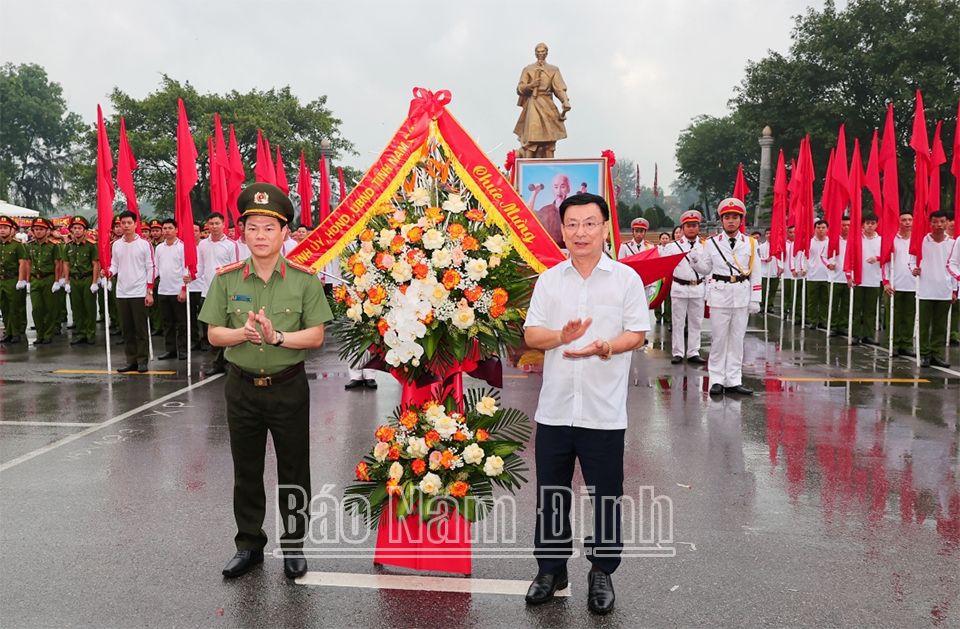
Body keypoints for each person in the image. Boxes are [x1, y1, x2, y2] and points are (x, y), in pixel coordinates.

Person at [522, 192, 648, 615]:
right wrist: (563, 337)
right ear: (562, 229)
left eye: (590, 223)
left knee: (606, 494)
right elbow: (532, 336)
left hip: (603, 411)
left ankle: (602, 572)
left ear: (605, 227)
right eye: (572, 224)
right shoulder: (549, 280)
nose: (580, 232)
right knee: (551, 494)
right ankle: (551, 569)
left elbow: (637, 334)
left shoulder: (626, 279)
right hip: (555, 408)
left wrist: (605, 347)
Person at [199, 182, 332, 580]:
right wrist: (243, 334)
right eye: (253, 228)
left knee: (294, 469)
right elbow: (213, 334)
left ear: (285, 233)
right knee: (246, 470)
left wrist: (276, 337)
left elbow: (316, 336)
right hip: (241, 388)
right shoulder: (226, 279)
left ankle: (293, 547)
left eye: (269, 228)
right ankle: (248, 545)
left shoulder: (305, 280)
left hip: (287, 386)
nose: (261, 236)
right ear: (242, 233)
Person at [701, 198, 761, 396]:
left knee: (737, 339)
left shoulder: (751, 243)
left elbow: (756, 272)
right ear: (721, 220)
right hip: (720, 295)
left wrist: (755, 299)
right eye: (727, 217)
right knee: (719, 339)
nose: (731, 221)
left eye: (735, 217)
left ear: (740, 220)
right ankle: (717, 380)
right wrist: (694, 261)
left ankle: (734, 380)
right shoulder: (711, 244)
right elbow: (706, 268)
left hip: (742, 295)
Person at [106, 211, 155, 373]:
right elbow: (115, 265)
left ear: (135, 224)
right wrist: (108, 272)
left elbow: (151, 267)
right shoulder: (117, 245)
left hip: (140, 291)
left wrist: (149, 291)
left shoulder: (144, 244)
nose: (125, 226)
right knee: (127, 330)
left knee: (140, 329)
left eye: (129, 223)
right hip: (122, 292)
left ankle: (142, 361)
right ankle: (131, 360)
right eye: (122, 223)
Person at [195, 212, 240, 376]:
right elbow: (201, 268)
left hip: (225, 293)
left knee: (227, 329)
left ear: (223, 225)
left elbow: (235, 269)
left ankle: (229, 363)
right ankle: (216, 363)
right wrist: (191, 276)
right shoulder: (202, 245)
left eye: (217, 223)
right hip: (207, 292)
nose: (214, 227)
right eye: (211, 224)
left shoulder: (230, 245)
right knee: (212, 329)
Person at [910, 211, 956, 368]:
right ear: (930, 223)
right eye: (935, 222)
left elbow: (956, 266)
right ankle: (924, 354)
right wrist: (913, 269)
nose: (939, 225)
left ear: (946, 222)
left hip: (945, 289)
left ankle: (936, 353)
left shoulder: (953, 243)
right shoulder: (922, 241)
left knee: (940, 325)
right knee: (923, 324)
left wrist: (955, 290)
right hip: (925, 289)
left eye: (942, 221)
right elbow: (911, 260)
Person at [513, 42, 570, 159]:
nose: (540, 54)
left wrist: (565, 101)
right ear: (535, 53)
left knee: (550, 142)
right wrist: (530, 85)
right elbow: (519, 88)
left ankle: (549, 166)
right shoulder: (528, 69)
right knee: (531, 141)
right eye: (538, 52)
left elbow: (559, 89)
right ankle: (527, 167)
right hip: (533, 105)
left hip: (548, 104)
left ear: (546, 53)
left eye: (542, 52)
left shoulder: (553, 70)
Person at [666, 210, 707, 365]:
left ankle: (693, 352)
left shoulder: (705, 245)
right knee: (678, 322)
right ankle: (677, 352)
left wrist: (708, 290)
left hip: (697, 287)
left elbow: (709, 268)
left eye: (694, 225)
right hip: (679, 287)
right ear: (683, 228)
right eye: (688, 226)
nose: (691, 229)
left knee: (696, 322)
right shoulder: (673, 246)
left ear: (698, 227)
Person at [24, 217, 63, 345]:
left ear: (47, 231)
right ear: (33, 231)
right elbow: (28, 264)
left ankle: (48, 334)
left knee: (49, 308)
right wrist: (28, 281)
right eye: (36, 229)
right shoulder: (30, 246)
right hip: (36, 279)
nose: (38, 232)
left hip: (49, 278)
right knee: (37, 308)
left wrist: (57, 281)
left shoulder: (53, 245)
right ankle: (40, 333)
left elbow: (58, 264)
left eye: (41, 229)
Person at [882, 212, 915, 356]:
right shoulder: (892, 239)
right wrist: (886, 282)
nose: (907, 222)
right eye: (904, 220)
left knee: (909, 317)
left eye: (910, 220)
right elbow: (884, 263)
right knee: (893, 317)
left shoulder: (918, 239)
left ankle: (906, 344)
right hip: (895, 285)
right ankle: (893, 344)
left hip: (913, 285)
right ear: (899, 222)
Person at [63, 216, 100, 345]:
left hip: (87, 278)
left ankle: (90, 333)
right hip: (74, 279)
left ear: (85, 231)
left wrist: (95, 282)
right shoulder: (68, 246)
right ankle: (81, 333)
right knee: (76, 307)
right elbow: (66, 265)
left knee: (89, 307)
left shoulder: (91, 245)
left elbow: (96, 264)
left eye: (80, 228)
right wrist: (66, 282)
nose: (77, 231)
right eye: (75, 228)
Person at [154, 218, 188, 360]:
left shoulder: (182, 247)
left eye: (169, 228)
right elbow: (156, 268)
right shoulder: (159, 248)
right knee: (167, 323)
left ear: (176, 230)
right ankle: (170, 349)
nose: (167, 231)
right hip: (163, 290)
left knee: (181, 322)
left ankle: (182, 349)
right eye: (165, 228)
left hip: (178, 290)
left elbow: (186, 269)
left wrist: (183, 289)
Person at [848, 214, 882, 345]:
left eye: (873, 223)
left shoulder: (880, 240)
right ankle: (855, 334)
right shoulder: (857, 239)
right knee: (856, 309)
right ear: (863, 224)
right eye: (867, 223)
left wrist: (877, 258)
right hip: (859, 278)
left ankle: (868, 335)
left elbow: (886, 255)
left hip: (874, 279)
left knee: (870, 310)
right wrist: (849, 276)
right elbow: (849, 257)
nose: (870, 225)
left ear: (876, 225)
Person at [0, 215, 29, 343]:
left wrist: (21, 280)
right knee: (4, 307)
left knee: (14, 307)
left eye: (5, 228)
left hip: (12, 279)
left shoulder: (18, 245)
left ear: (11, 230)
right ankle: (9, 331)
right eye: (0, 228)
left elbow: (22, 263)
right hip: (1, 280)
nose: (2, 230)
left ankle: (16, 332)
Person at [803, 220, 830, 330]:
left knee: (825, 300)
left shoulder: (830, 242)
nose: (821, 230)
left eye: (823, 227)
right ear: (814, 229)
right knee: (812, 300)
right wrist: (803, 268)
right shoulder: (809, 242)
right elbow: (803, 256)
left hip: (827, 275)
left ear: (827, 229)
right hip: (812, 275)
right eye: (818, 227)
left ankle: (823, 320)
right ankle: (813, 320)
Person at [528, 174, 569, 247]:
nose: (559, 192)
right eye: (556, 187)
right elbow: (528, 215)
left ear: (568, 189)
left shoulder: (574, 209)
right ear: (552, 190)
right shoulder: (545, 210)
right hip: (549, 253)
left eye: (563, 187)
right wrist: (534, 193)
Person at [827, 217, 850, 337]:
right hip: (835, 277)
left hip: (849, 278)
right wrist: (829, 264)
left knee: (846, 304)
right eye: (843, 225)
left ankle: (843, 326)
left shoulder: (854, 241)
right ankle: (833, 326)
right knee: (834, 304)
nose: (846, 227)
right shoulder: (833, 241)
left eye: (848, 225)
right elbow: (824, 255)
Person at [188, 221, 207, 351]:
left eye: (195, 231)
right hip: (189, 286)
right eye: (191, 231)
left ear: (200, 232)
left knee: (204, 316)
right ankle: (194, 340)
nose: (193, 234)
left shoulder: (204, 246)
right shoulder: (185, 248)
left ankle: (206, 339)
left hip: (203, 287)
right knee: (191, 316)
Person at [758, 228, 781, 313]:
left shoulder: (778, 246)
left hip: (774, 272)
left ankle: (770, 305)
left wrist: (780, 268)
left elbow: (781, 259)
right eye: (767, 233)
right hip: (764, 271)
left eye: (770, 233)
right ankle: (762, 305)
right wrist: (765, 260)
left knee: (773, 290)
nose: (768, 235)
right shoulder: (761, 247)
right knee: (763, 290)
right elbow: (757, 258)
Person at [783, 225, 799, 320]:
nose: (792, 234)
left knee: (795, 294)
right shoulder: (784, 244)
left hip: (796, 273)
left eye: (794, 232)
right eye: (790, 232)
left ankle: (794, 312)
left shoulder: (800, 244)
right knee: (786, 294)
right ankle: (784, 310)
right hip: (786, 272)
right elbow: (779, 257)